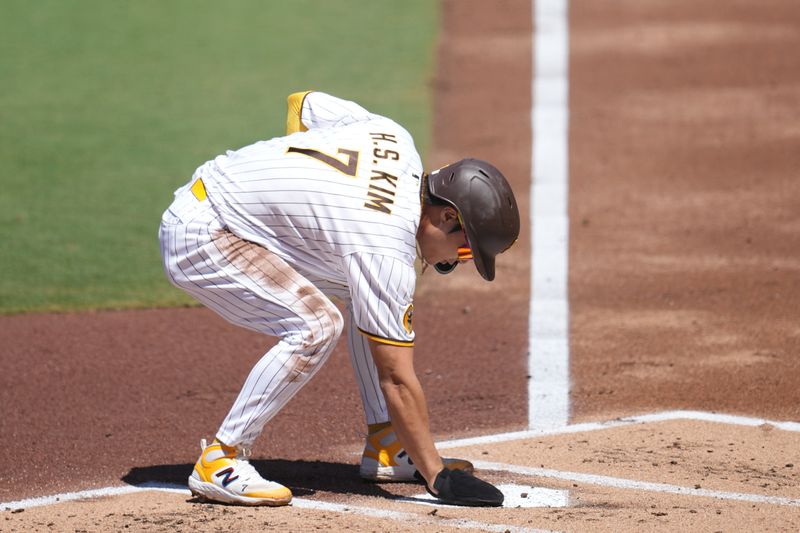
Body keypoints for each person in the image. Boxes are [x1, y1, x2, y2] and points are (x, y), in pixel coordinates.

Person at [158, 91, 520, 507]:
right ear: (446, 216)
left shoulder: (395, 138)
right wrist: (438, 477)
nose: (458, 262)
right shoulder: (384, 249)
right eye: (464, 250)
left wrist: (289, 199)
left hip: (219, 204)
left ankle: (386, 443)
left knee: (357, 288)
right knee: (315, 325)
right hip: (202, 236)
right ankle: (220, 459)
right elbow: (397, 378)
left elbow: (303, 103)